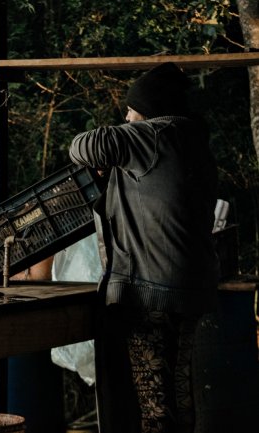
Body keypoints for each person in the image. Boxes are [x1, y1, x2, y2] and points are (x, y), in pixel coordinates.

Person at [69, 62, 219, 433]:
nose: (126, 117)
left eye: (131, 110)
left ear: (149, 109)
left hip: (152, 293)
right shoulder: (191, 139)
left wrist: (114, 149)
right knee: (178, 393)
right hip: (190, 288)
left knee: (154, 406)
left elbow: (83, 146)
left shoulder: (153, 134)